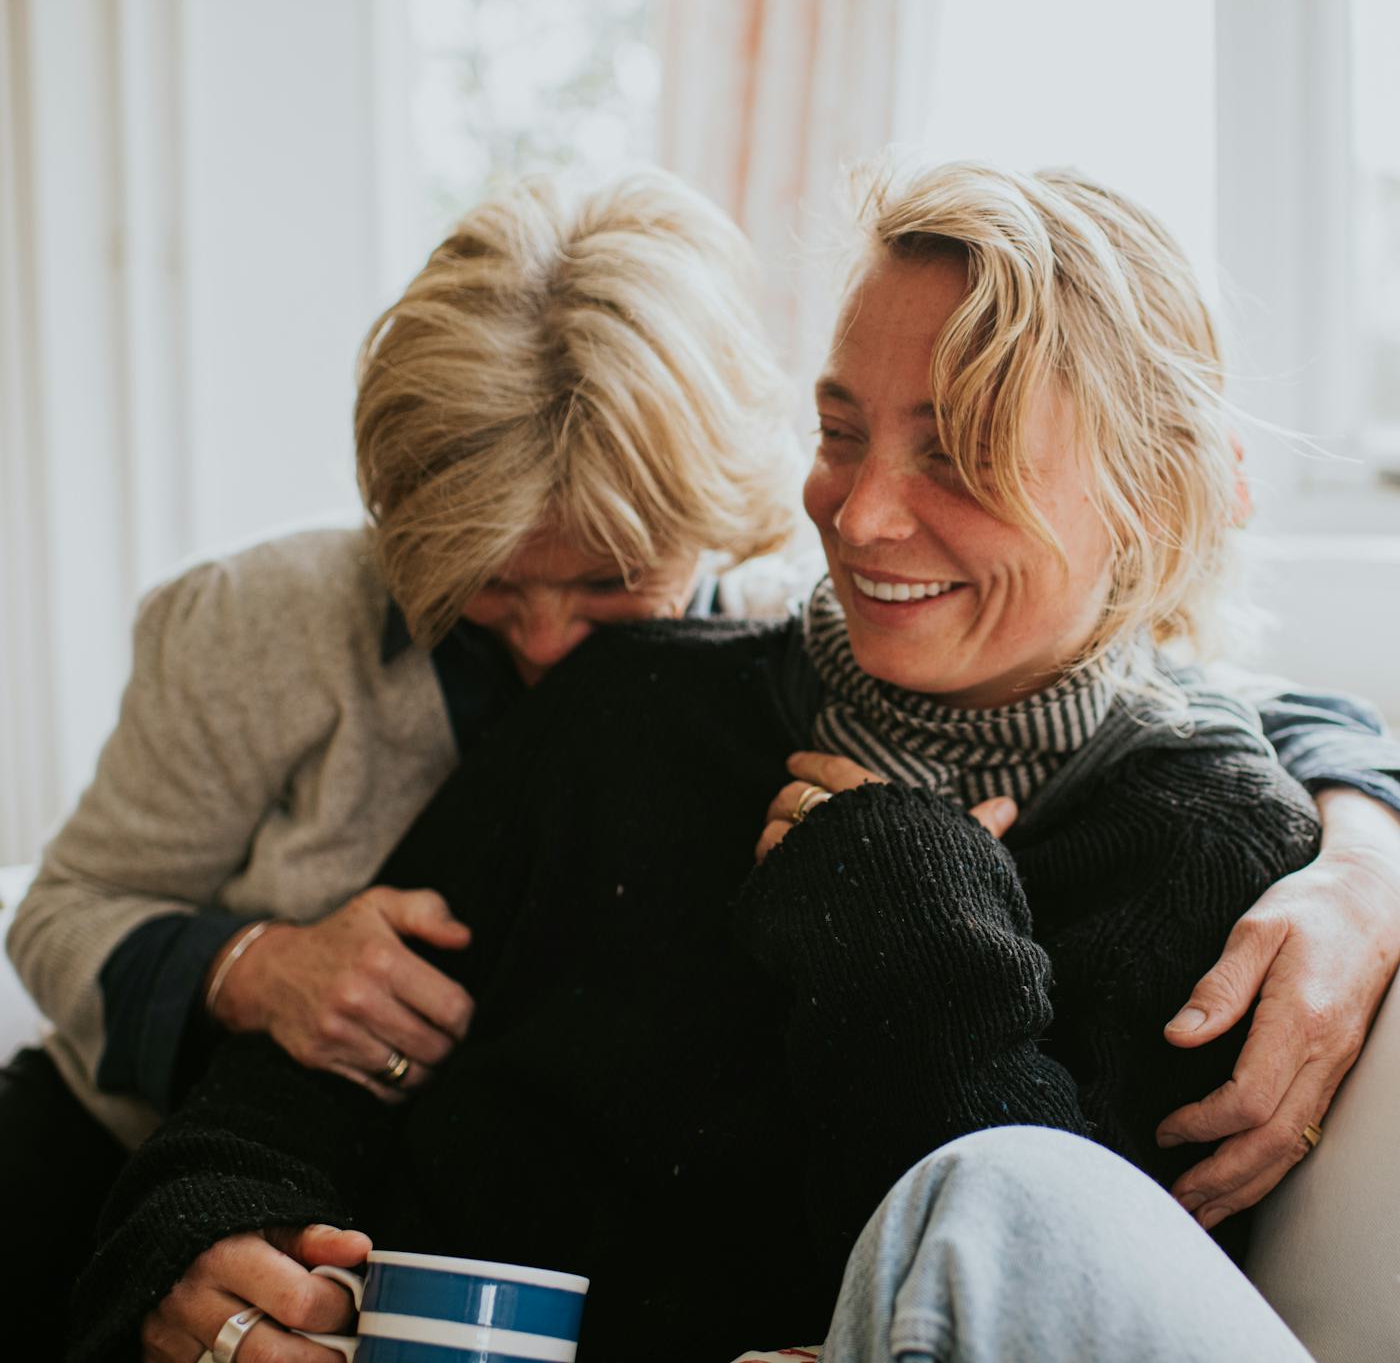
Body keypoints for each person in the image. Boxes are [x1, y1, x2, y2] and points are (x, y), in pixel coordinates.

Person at [66, 159, 1400, 1362]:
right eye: (838, 433)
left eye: (964, 455)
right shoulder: (630, 694)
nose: (863, 515)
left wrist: (901, 897)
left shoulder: (1207, 846)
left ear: (1156, 492)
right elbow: (269, 1117)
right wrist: (209, 1251)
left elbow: (1026, 1273)